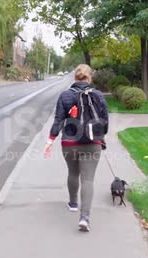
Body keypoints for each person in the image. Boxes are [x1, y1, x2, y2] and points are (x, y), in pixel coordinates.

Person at [44, 64, 109, 232]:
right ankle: (84, 218)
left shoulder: (65, 96)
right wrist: (100, 136)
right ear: (90, 78)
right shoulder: (98, 95)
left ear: (75, 77)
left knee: (73, 173)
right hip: (92, 143)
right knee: (88, 180)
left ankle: (73, 203)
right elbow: (105, 120)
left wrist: (50, 140)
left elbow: (58, 120)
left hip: (69, 142)